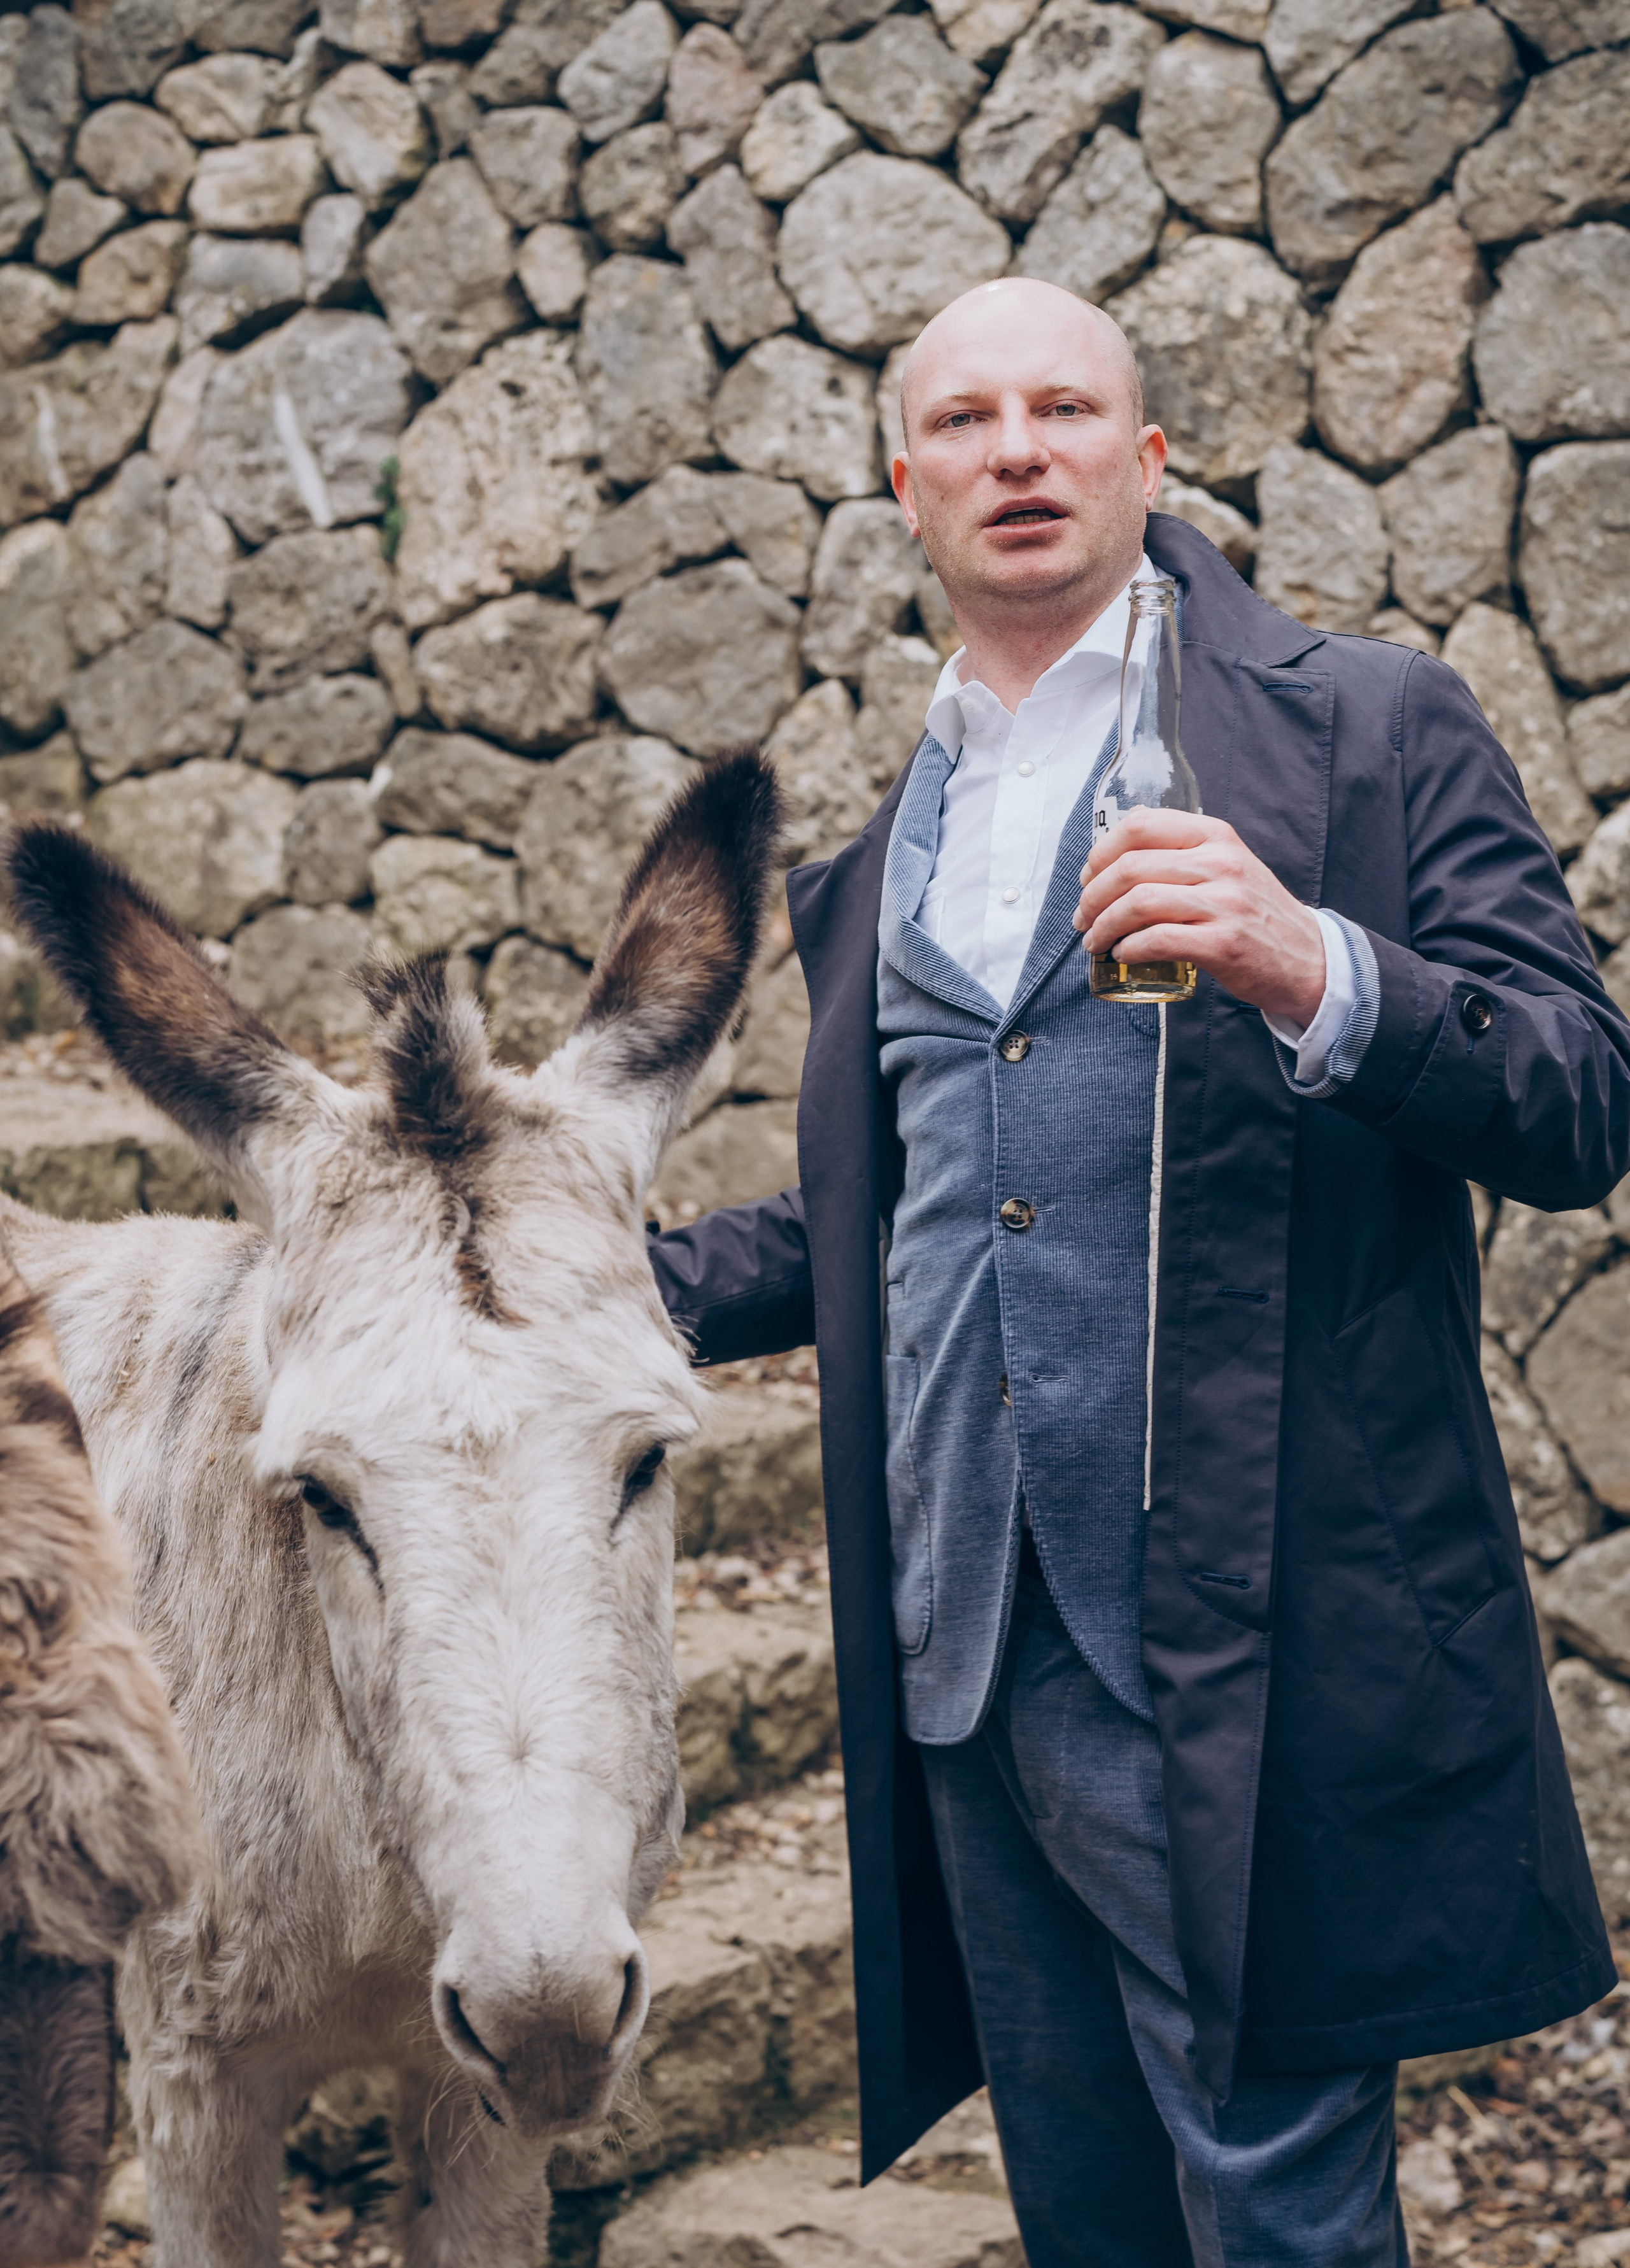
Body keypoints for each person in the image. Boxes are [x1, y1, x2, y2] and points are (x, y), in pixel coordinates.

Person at [648, 277, 1630, 2266]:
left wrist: (1309, 960)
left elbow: (1581, 1094)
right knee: (1088, 2199)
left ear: (1149, 457)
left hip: (1233, 1638)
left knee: (1270, 2196)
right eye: (972, 421)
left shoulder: (1362, 733)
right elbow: (894, 1219)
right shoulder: (874, 861)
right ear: (902, 480)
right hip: (958, 1640)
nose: (1021, 449)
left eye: (1069, 408)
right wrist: (576, 1260)